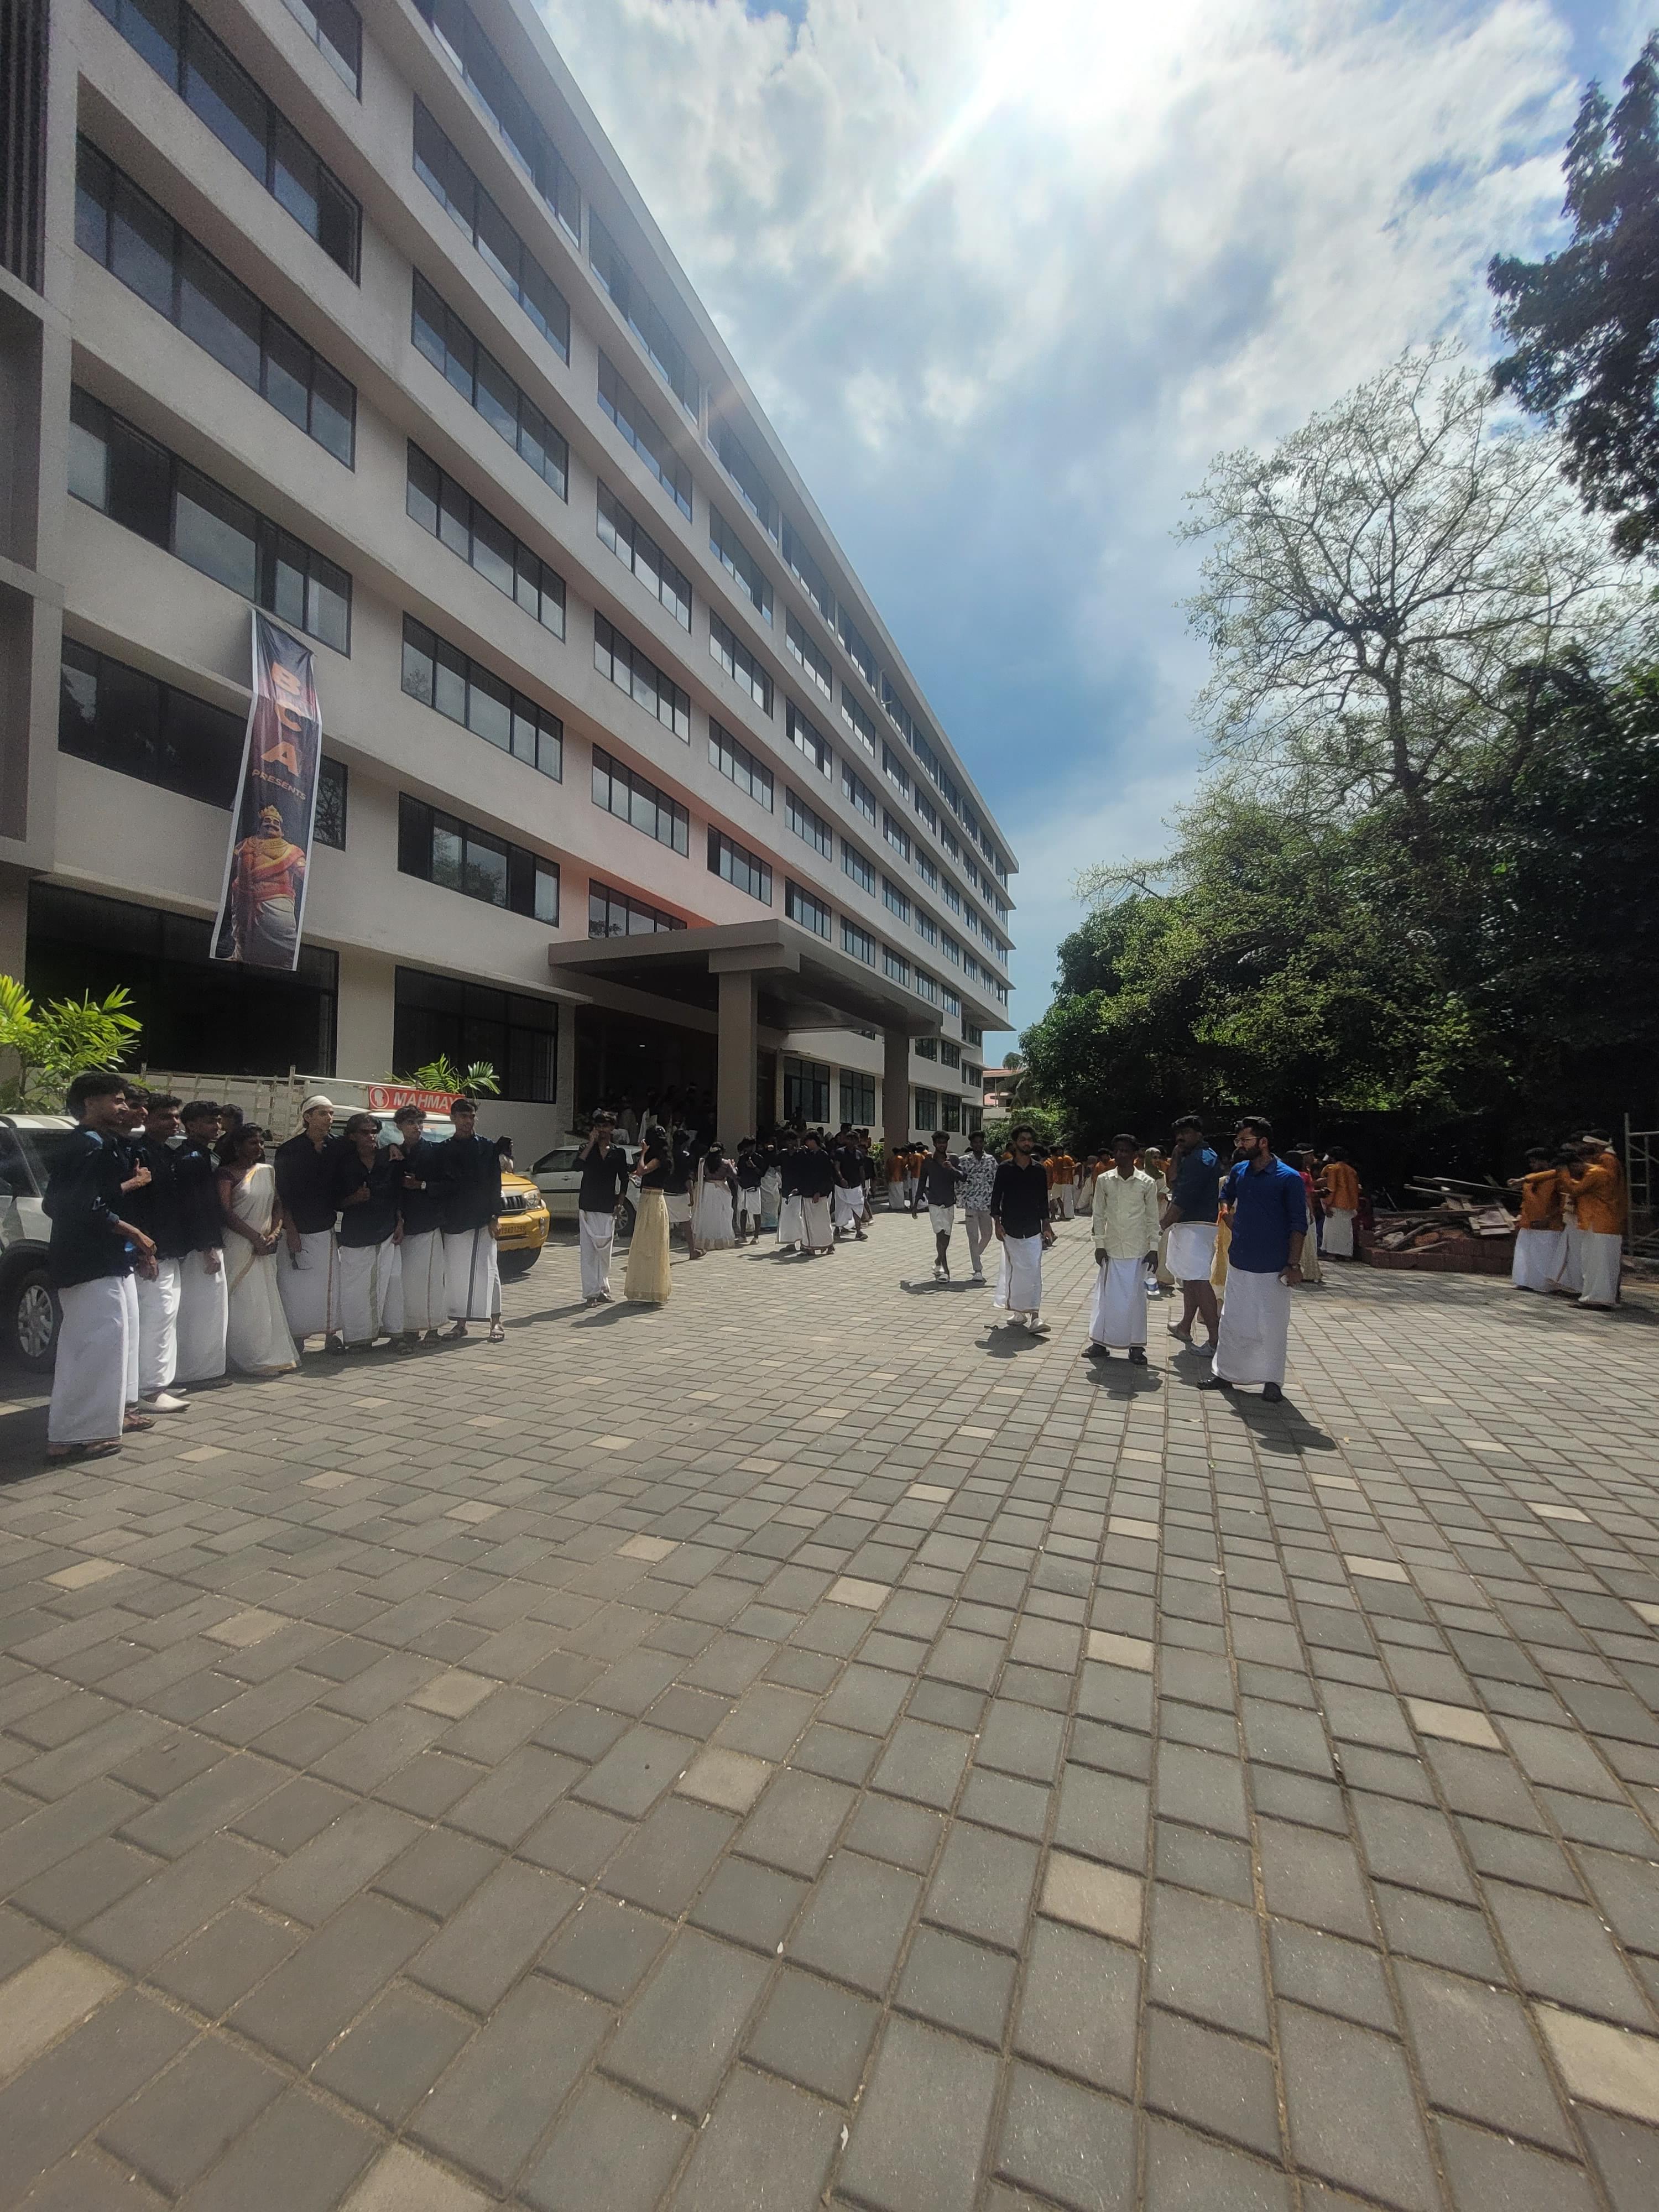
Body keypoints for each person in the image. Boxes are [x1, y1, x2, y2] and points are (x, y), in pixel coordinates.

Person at [44, 1072, 156, 1460]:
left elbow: (95, 1197)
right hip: (86, 1259)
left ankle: (91, 1426)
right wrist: (133, 1233)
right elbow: (70, 1206)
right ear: (91, 1103)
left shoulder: (98, 1143)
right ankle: (77, 1434)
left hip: (103, 1259)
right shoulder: (86, 1145)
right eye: (117, 1100)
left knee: (108, 1343)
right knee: (93, 1345)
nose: (124, 1107)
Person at [1199, 1117, 1307, 1403]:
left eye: (1245, 1140)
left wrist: (1294, 1264)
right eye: (1238, 1141)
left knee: (1271, 1325)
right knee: (1234, 1321)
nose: (1240, 1145)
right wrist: (1226, 1213)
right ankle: (1225, 1373)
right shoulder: (1239, 1171)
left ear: (1263, 1142)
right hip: (1240, 1260)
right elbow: (1226, 1194)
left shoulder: (1289, 1178)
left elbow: (1299, 1224)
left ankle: (1272, 1381)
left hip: (1274, 1266)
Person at [216, 1125, 297, 1375]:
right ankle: (245, 1359)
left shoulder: (267, 1172)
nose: (259, 1148)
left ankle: (267, 1355)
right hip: (238, 1245)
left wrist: (274, 1234)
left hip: (265, 1245)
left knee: (265, 1301)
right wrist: (254, 1238)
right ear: (237, 1146)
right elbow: (225, 1212)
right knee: (243, 1301)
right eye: (253, 1143)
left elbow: (277, 1206)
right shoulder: (226, 1175)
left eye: (261, 1143)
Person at [127, 1092, 190, 1415]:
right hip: (151, 1250)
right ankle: (149, 1390)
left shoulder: (166, 1152)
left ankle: (159, 1380)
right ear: (147, 1117)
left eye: (177, 1116)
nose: (174, 1122)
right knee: (156, 1317)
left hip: (170, 1246)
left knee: (166, 1316)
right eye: (167, 1116)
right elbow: (136, 1208)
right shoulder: (138, 1154)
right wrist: (144, 1251)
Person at [1085, 1134, 1161, 1363]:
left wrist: (1154, 1248)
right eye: (1117, 1150)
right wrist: (1099, 1244)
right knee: (1106, 1298)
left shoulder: (1147, 1183)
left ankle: (1136, 1347)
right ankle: (1099, 1343)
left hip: (1138, 1249)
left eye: (1125, 1151)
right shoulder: (1105, 1180)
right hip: (1111, 1248)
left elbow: (1152, 1218)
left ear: (1136, 1155)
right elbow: (1098, 1214)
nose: (1120, 1155)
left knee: (1136, 1299)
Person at [274, 1095, 342, 1353]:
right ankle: (298, 1336)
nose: (329, 1119)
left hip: (324, 1226)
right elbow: (283, 1193)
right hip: (296, 1228)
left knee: (328, 1285)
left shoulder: (336, 1146)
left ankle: (330, 1334)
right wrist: (290, 1229)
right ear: (307, 1117)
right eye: (323, 1113)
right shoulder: (290, 1150)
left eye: (331, 1114)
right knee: (295, 1286)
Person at [336, 1113, 404, 1350]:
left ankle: (395, 1334)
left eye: (374, 1132)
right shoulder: (343, 1164)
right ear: (353, 1136)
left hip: (387, 1230)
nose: (371, 1137)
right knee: (356, 1289)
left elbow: (397, 1195)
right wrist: (354, 1198)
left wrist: (400, 1223)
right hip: (357, 1235)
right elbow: (334, 1201)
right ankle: (358, 1339)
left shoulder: (389, 1158)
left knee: (392, 1282)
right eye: (365, 1132)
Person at [439, 1096, 504, 1342]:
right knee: (456, 1273)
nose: (468, 1121)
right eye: (463, 1116)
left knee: (489, 1269)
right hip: (455, 1221)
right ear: (453, 1118)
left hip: (482, 1219)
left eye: (472, 1117)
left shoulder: (486, 1147)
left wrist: (494, 1216)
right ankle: (460, 1323)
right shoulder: (444, 1149)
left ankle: (495, 1322)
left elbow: (494, 1184)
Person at [173, 1100, 228, 1387]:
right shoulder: (192, 1159)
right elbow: (198, 1206)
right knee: (203, 1309)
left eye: (218, 1121)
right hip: (200, 1245)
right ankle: (197, 1371)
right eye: (210, 1122)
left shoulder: (201, 1155)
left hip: (201, 1241)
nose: (216, 1127)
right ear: (191, 1125)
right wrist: (208, 1248)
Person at [990, 1125, 1057, 1334]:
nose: (1027, 1143)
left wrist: (1047, 1225)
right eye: (1023, 1140)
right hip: (1010, 1229)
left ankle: (1036, 1317)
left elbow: (1042, 1200)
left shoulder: (1039, 1170)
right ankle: (1019, 1312)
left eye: (1029, 1139)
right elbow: (996, 1197)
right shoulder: (1004, 1169)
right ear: (1015, 1143)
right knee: (1014, 1272)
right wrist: (997, 1224)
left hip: (1033, 1229)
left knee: (1034, 1271)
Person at [1163, 1116, 1222, 1348]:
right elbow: (1172, 1182)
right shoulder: (1191, 1156)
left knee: (1198, 1280)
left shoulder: (1201, 1159)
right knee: (1190, 1277)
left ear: (1199, 1134)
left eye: (1186, 1132)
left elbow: (1182, 1197)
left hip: (1197, 1225)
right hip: (1192, 1224)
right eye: (1178, 1134)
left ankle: (1215, 1339)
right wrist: (1177, 1154)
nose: (1181, 1137)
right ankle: (1185, 1326)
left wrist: (1161, 1225)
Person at [392, 1105, 448, 1344]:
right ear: (400, 1127)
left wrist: (422, 1185)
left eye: (419, 1123)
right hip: (405, 1226)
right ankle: (411, 1327)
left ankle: (433, 1328)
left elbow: (449, 1186)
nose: (416, 1127)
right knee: (407, 1282)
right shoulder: (395, 1154)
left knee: (431, 1279)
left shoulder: (434, 1153)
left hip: (428, 1224)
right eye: (410, 1123)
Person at [1564, 1137, 1626, 1310]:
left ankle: (1600, 1299)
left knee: (1600, 1263)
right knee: (1594, 1262)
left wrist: (1565, 1173)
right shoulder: (1602, 1166)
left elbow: (1580, 1188)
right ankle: (1593, 1297)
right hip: (1599, 1220)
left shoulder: (1605, 1163)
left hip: (1601, 1221)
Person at [577, 1115, 632, 1303]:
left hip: (607, 1206)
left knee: (604, 1252)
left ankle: (603, 1289)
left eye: (605, 1126)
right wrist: (591, 1143)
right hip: (587, 1206)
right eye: (598, 1126)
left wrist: (620, 1202)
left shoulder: (618, 1153)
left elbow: (624, 1179)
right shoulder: (586, 1149)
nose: (602, 1129)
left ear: (612, 1128)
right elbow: (577, 1166)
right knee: (588, 1252)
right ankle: (591, 1293)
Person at [625, 1124, 673, 1302]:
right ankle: (645, 1287)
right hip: (650, 1199)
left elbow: (642, 1171)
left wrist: (643, 1152)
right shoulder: (664, 1157)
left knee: (650, 1244)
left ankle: (652, 1287)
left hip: (652, 1200)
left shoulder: (659, 1159)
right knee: (647, 1243)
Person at [1509, 1148, 1566, 1293]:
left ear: (1545, 1162)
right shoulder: (1529, 1179)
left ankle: (1545, 1286)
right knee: (1526, 1255)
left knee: (1545, 1257)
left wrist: (1548, 1219)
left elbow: (1562, 1204)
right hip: (1528, 1223)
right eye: (1531, 1162)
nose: (1532, 1165)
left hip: (1548, 1225)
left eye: (1535, 1162)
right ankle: (1525, 1282)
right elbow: (1526, 1202)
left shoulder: (1557, 1179)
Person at [913, 1131, 967, 1281]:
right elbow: (922, 1181)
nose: (942, 1145)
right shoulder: (928, 1161)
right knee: (940, 1234)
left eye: (944, 1142)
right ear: (935, 1144)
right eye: (939, 1143)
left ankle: (938, 1260)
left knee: (946, 1235)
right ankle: (945, 1270)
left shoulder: (954, 1159)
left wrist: (952, 1169)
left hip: (949, 1202)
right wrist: (916, 1202)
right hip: (934, 1203)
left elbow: (964, 1177)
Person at [956, 1127, 998, 1284]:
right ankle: (977, 1269)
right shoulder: (964, 1161)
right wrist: (961, 1198)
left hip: (986, 1204)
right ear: (971, 1144)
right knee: (973, 1237)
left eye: (980, 1142)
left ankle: (976, 1255)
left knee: (987, 1235)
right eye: (975, 1142)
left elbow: (996, 1181)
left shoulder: (991, 1160)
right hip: (971, 1204)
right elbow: (959, 1181)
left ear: (984, 1143)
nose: (978, 1145)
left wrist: (997, 1202)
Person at [792, 1131, 837, 1255]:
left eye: (808, 1141)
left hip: (819, 1194)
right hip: (807, 1192)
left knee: (822, 1221)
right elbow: (804, 1174)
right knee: (809, 1222)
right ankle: (810, 1246)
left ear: (814, 1141)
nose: (807, 1144)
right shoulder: (808, 1156)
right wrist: (799, 1189)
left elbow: (826, 1176)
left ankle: (828, 1244)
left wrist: (819, 1191)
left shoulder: (823, 1156)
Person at [693, 1141, 740, 1252]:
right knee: (722, 1214)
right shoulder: (725, 1163)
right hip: (721, 1189)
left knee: (708, 1213)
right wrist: (733, 1166)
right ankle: (721, 1240)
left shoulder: (703, 1162)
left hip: (708, 1189)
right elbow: (734, 1175)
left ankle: (707, 1240)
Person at [1320, 1147, 1361, 1259]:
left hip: (1336, 1203)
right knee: (1346, 1230)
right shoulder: (1352, 1171)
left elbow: (1331, 1189)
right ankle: (1346, 1253)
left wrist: (1327, 1204)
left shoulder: (1333, 1169)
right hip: (1350, 1204)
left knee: (1333, 1229)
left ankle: (1332, 1253)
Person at [734, 1140, 764, 1243]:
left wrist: (753, 1166)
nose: (747, 1149)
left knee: (757, 1212)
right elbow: (739, 1171)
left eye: (749, 1147)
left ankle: (756, 1236)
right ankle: (743, 1235)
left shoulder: (759, 1158)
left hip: (754, 1189)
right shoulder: (742, 1158)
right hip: (744, 1188)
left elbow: (762, 1173)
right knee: (743, 1212)